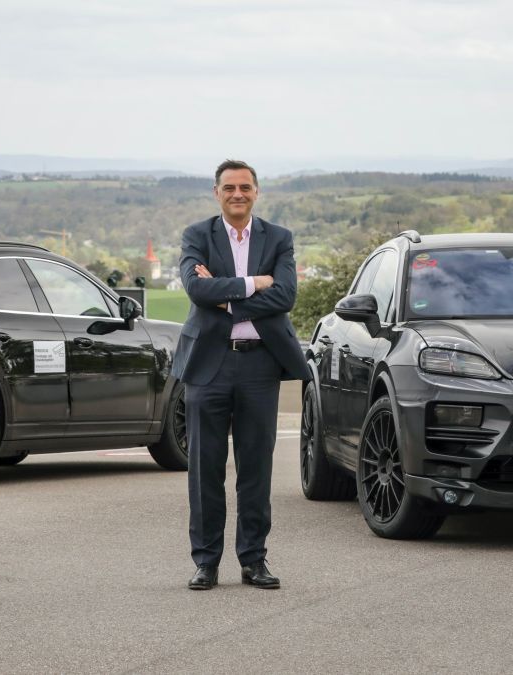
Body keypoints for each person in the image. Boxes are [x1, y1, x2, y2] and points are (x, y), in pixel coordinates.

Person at [172, 159, 309, 590]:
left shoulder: (279, 238)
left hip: (259, 365)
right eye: (229, 187)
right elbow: (196, 290)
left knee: (255, 469)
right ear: (216, 192)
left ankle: (253, 560)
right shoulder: (197, 235)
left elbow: (285, 296)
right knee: (205, 469)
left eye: (245, 187)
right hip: (208, 366)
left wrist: (227, 295)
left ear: (256, 191)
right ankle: (206, 562)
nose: (237, 193)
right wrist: (254, 284)